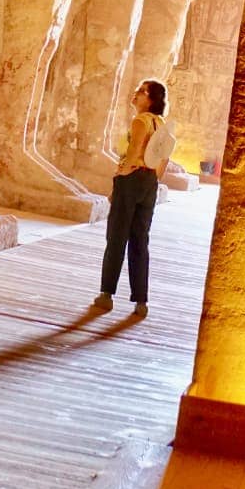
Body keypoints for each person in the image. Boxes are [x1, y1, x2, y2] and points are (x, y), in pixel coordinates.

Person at [92, 80, 170, 317]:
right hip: (149, 182)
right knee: (140, 240)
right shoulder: (161, 124)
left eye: (141, 91)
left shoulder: (141, 121)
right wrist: (152, 178)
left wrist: (121, 175)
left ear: (151, 99)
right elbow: (163, 159)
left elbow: (135, 151)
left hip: (132, 179)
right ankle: (141, 301)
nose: (135, 94)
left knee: (117, 236)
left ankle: (106, 295)